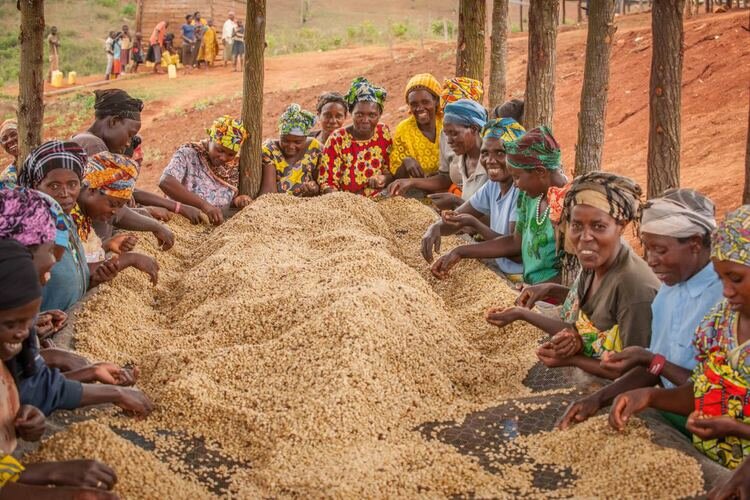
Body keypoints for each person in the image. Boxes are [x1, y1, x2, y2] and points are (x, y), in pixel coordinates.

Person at [557, 189, 722, 433]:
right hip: (670, 414)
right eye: (647, 248)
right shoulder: (669, 291)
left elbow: (715, 391)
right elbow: (654, 368)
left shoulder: (724, 299)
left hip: (711, 429)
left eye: (661, 250)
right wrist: (598, 399)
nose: (651, 260)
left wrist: (651, 366)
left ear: (695, 244)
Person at [608, 206, 750, 471]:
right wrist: (649, 396)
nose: (726, 291)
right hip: (706, 463)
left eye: (735, 278)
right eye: (721, 279)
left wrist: (738, 429)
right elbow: (700, 389)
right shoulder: (719, 321)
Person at [485, 172, 660, 379]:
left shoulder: (633, 288)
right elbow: (590, 319)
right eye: (576, 226)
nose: (585, 237)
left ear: (620, 225)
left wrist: (572, 359)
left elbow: (637, 373)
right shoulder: (595, 261)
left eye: (598, 226)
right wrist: (548, 293)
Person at [0, 241, 121, 500]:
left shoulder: (7, 363)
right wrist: (55, 478)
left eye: (29, 322)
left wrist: (22, 420)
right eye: (11, 323)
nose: (23, 333)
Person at [430, 126, 568, 285]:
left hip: (552, 296)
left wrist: (541, 290)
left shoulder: (569, 206)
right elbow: (515, 243)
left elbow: (575, 274)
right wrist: (460, 251)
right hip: (531, 287)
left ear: (541, 172)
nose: (515, 185)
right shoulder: (530, 197)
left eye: (517, 178)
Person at [17, 140, 137, 312]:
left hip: (62, 319)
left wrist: (94, 278)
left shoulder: (66, 220)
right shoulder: (30, 229)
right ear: (36, 186)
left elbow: (73, 273)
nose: (65, 193)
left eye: (72, 184)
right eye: (54, 186)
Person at [421, 118, 525, 280]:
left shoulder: (521, 190)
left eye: (500, 153)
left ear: (516, 155)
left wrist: (472, 229)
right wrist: (435, 228)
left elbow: (514, 249)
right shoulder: (492, 186)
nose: (490, 160)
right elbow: (459, 218)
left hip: (519, 275)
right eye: (485, 153)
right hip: (501, 268)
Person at [73, 89, 179, 243]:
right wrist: (156, 226)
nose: (129, 142)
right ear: (114, 121)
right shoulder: (94, 146)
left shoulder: (87, 141)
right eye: (130, 134)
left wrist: (144, 212)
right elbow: (115, 210)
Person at [71, 152, 160, 286]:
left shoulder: (83, 219)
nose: (115, 212)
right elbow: (74, 275)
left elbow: (85, 261)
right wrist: (130, 259)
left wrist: (107, 245)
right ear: (91, 190)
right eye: (113, 204)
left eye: (120, 206)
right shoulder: (65, 218)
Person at [159, 115, 251, 225]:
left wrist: (236, 201)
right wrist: (204, 206)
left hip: (211, 228)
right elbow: (165, 182)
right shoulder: (189, 154)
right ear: (211, 139)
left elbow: (220, 202)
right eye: (219, 150)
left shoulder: (232, 168)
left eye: (230, 154)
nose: (223, 158)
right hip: (180, 221)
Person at [400, 98, 489, 208]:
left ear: (474, 129)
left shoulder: (491, 164)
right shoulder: (463, 160)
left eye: (454, 133)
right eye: (447, 134)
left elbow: (495, 218)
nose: (449, 141)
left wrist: (455, 201)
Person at [319, 77, 393, 197]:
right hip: (347, 205)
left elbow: (390, 171)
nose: (365, 120)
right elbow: (327, 183)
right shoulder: (337, 139)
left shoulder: (383, 132)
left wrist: (383, 178)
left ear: (380, 114)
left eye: (372, 115)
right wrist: (346, 203)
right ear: (351, 113)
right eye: (359, 114)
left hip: (381, 199)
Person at [389, 73, 443, 180]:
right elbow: (396, 175)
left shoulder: (446, 124)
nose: (419, 108)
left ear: (436, 101)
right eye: (414, 104)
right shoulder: (404, 130)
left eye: (425, 102)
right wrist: (406, 162)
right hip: (417, 188)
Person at [260, 104, 322, 197]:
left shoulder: (315, 148)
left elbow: (322, 184)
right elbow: (268, 194)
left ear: (305, 138)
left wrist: (313, 188)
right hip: (276, 207)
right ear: (279, 136)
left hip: (310, 206)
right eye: (285, 140)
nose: (291, 146)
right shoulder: (269, 150)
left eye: (297, 142)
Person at [0, 119, 18, 185]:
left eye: (13, 134)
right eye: (4, 139)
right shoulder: (5, 177)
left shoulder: (43, 160)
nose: (9, 140)